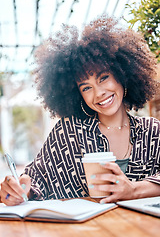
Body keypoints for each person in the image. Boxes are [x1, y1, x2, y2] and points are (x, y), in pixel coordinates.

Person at [0, 15, 160, 206]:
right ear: (77, 95)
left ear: (122, 74)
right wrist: (19, 188)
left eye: (103, 78)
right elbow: (35, 181)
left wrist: (133, 190)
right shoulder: (69, 132)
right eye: (86, 87)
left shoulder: (152, 131)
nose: (99, 93)